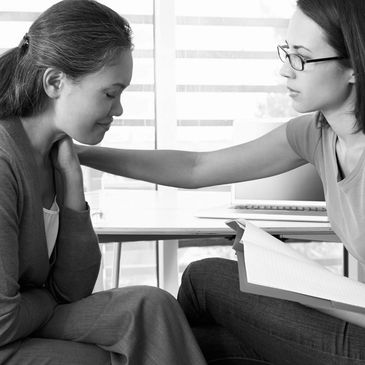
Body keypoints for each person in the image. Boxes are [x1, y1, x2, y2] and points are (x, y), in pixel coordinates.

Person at [76, 0, 365, 363]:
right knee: (203, 346)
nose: (285, 71)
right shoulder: (317, 133)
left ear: (354, 65)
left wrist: (319, 297)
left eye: (302, 58)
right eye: (287, 52)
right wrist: (82, 154)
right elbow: (197, 168)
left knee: (205, 278)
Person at [0, 1, 208, 364]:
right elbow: (3, 321)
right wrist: (47, 299)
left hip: (27, 319)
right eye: (110, 93)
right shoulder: (4, 162)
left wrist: (73, 188)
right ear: (54, 82)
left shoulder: (55, 158)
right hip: (7, 336)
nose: (119, 109)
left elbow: (72, 288)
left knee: (150, 306)